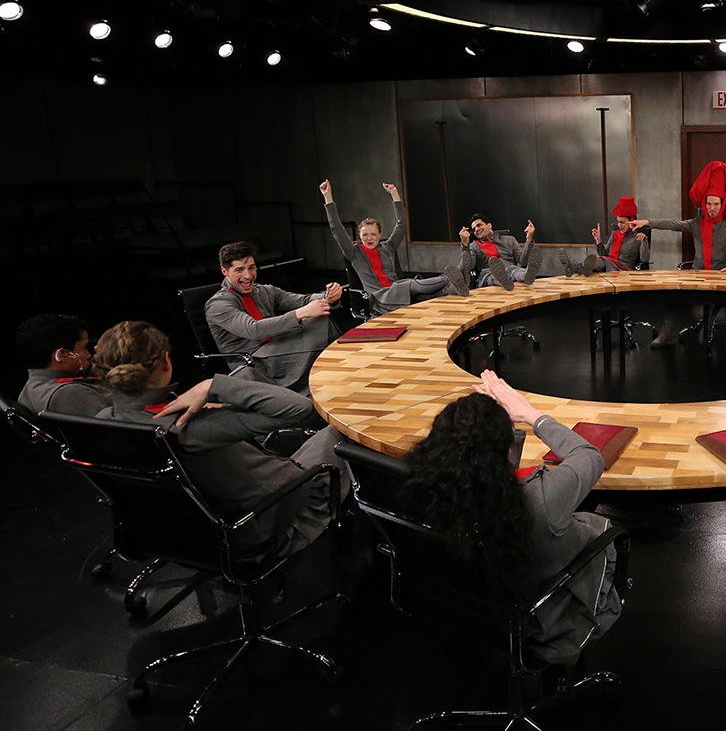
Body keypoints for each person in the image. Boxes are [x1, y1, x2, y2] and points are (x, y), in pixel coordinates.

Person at [401, 371, 623, 666]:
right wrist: (532, 415)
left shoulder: (431, 490)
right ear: (504, 446)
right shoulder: (541, 498)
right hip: (542, 617)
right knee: (595, 525)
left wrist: (493, 425)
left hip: (467, 610)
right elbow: (589, 455)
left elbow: (492, 472)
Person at [90, 321, 347, 562]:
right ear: (166, 362)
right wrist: (209, 386)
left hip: (191, 534)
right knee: (341, 429)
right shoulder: (184, 428)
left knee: (246, 377)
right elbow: (298, 408)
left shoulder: (101, 422)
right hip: (280, 516)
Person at [629, 161, 726, 347]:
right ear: (704, 203)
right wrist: (647, 222)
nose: (712, 208)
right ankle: (669, 332)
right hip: (697, 274)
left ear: (722, 204)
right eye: (709, 203)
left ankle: (709, 324)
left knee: (715, 301)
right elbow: (673, 224)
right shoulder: (696, 223)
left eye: (716, 204)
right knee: (671, 293)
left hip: (720, 276)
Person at [204, 241, 344, 391]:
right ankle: (330, 376)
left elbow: (303, 300)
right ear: (225, 272)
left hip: (276, 346)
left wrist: (328, 297)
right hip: (253, 361)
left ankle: (334, 372)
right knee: (315, 322)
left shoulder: (264, 291)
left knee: (319, 318)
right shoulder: (218, 305)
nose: (248, 275)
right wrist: (301, 313)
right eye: (239, 270)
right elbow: (253, 329)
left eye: (251, 268)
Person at [321, 180, 469, 314]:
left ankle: (452, 287)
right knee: (413, 285)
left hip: (398, 290)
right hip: (380, 297)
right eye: (365, 235)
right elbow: (336, 229)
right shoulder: (354, 252)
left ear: (380, 235)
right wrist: (328, 197)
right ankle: (452, 277)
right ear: (360, 236)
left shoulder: (388, 247)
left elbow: (402, 224)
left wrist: (395, 195)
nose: (369, 238)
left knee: (426, 296)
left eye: (373, 234)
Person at [15, 313, 111, 417]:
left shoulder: (30, 390)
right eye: (84, 348)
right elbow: (116, 425)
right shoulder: (71, 393)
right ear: (61, 355)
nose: (88, 355)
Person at [558, 196, 649, 276]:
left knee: (601, 261)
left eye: (622, 222)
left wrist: (644, 241)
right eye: (618, 222)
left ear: (631, 222)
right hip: (608, 264)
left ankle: (575, 267)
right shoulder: (615, 234)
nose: (619, 225)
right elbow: (604, 254)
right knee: (601, 260)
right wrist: (598, 240)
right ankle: (578, 268)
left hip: (623, 269)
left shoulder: (638, 237)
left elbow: (645, 259)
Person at [463, 213, 544, 291]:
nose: (476, 229)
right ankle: (503, 280)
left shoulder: (509, 240)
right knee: (493, 278)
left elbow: (522, 262)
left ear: (489, 226)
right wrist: (465, 245)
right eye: (474, 229)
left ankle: (526, 276)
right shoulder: (473, 246)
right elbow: (469, 266)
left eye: (479, 225)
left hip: (510, 269)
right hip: (489, 273)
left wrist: (529, 240)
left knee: (517, 272)